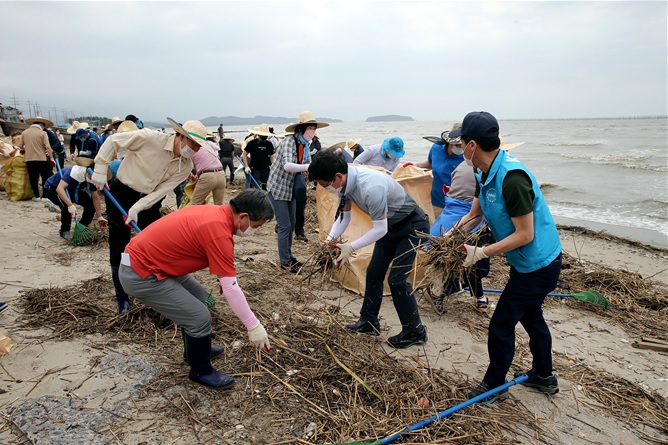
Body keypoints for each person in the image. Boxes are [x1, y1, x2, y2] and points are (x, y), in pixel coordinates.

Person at [448, 111, 562, 403]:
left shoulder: (512, 178)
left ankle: (493, 385)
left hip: (539, 264)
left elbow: (526, 234)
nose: (460, 148)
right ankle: (544, 376)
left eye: (461, 143)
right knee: (531, 317)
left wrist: (482, 252)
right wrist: (450, 237)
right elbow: (475, 214)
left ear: (472, 145)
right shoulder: (482, 172)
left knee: (501, 323)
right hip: (524, 262)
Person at [118, 189, 274, 388]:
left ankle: (194, 351)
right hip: (142, 273)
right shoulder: (218, 231)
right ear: (243, 216)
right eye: (256, 226)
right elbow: (231, 288)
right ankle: (200, 370)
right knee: (199, 317)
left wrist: (224, 281)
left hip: (156, 265)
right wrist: (253, 326)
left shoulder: (217, 214)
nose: (255, 230)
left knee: (202, 299)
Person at [308, 151, 430, 348]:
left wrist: (351, 247)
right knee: (373, 273)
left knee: (397, 280)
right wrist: (328, 241)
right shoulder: (345, 184)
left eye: (324, 184)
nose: (325, 188)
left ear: (337, 177)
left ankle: (415, 331)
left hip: (412, 227)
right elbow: (344, 217)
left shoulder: (371, 186)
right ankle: (369, 322)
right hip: (391, 227)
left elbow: (379, 229)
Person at [91, 117, 208, 314]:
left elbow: (161, 191)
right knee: (119, 244)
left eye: (198, 147)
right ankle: (122, 297)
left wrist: (138, 208)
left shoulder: (185, 166)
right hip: (121, 192)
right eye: (193, 144)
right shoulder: (149, 138)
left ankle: (156, 291)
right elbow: (113, 141)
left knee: (155, 245)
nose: (194, 150)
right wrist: (100, 169)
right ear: (180, 136)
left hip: (149, 202)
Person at [267, 110, 328, 272]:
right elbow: (288, 166)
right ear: (301, 129)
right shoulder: (288, 141)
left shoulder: (305, 146)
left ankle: (289, 255)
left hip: (291, 189)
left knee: (293, 224)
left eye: (314, 129)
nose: (312, 132)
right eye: (310, 128)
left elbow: (307, 164)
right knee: (285, 225)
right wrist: (310, 167)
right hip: (278, 188)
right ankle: (285, 261)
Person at [429, 155, 490, 312]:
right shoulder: (483, 170)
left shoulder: (464, 165)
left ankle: (478, 295)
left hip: (452, 217)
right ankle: (437, 292)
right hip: (465, 219)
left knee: (473, 263)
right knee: (475, 265)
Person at [43, 159, 108, 240]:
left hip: (73, 189)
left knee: (90, 204)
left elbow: (95, 198)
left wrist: (99, 216)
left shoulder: (92, 179)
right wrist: (70, 205)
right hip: (53, 188)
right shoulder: (72, 172)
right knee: (65, 206)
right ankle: (65, 231)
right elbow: (59, 189)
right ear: (87, 173)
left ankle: (83, 226)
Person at [412, 123, 464, 218]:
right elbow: (430, 163)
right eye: (457, 144)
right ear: (450, 141)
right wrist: (414, 165)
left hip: (457, 203)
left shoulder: (467, 157)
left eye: (462, 144)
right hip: (436, 200)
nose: (460, 147)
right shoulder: (436, 148)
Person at [20, 116, 54, 201]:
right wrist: (51, 157)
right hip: (41, 158)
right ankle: (45, 196)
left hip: (29, 159)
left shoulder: (24, 133)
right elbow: (48, 147)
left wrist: (27, 149)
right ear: (42, 124)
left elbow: (20, 146)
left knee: (33, 178)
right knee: (45, 177)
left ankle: (36, 196)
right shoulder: (42, 133)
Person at [190, 132, 226, 205]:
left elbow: (188, 168)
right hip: (221, 174)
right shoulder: (207, 146)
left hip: (207, 176)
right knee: (219, 205)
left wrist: (191, 177)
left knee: (195, 204)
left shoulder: (191, 148)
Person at [242, 124, 275, 190]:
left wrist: (273, 166)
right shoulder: (252, 143)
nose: (264, 136)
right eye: (263, 135)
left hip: (266, 169)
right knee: (256, 189)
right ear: (259, 134)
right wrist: (246, 166)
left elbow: (272, 156)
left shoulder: (269, 144)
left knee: (267, 188)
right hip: (255, 169)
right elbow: (244, 154)